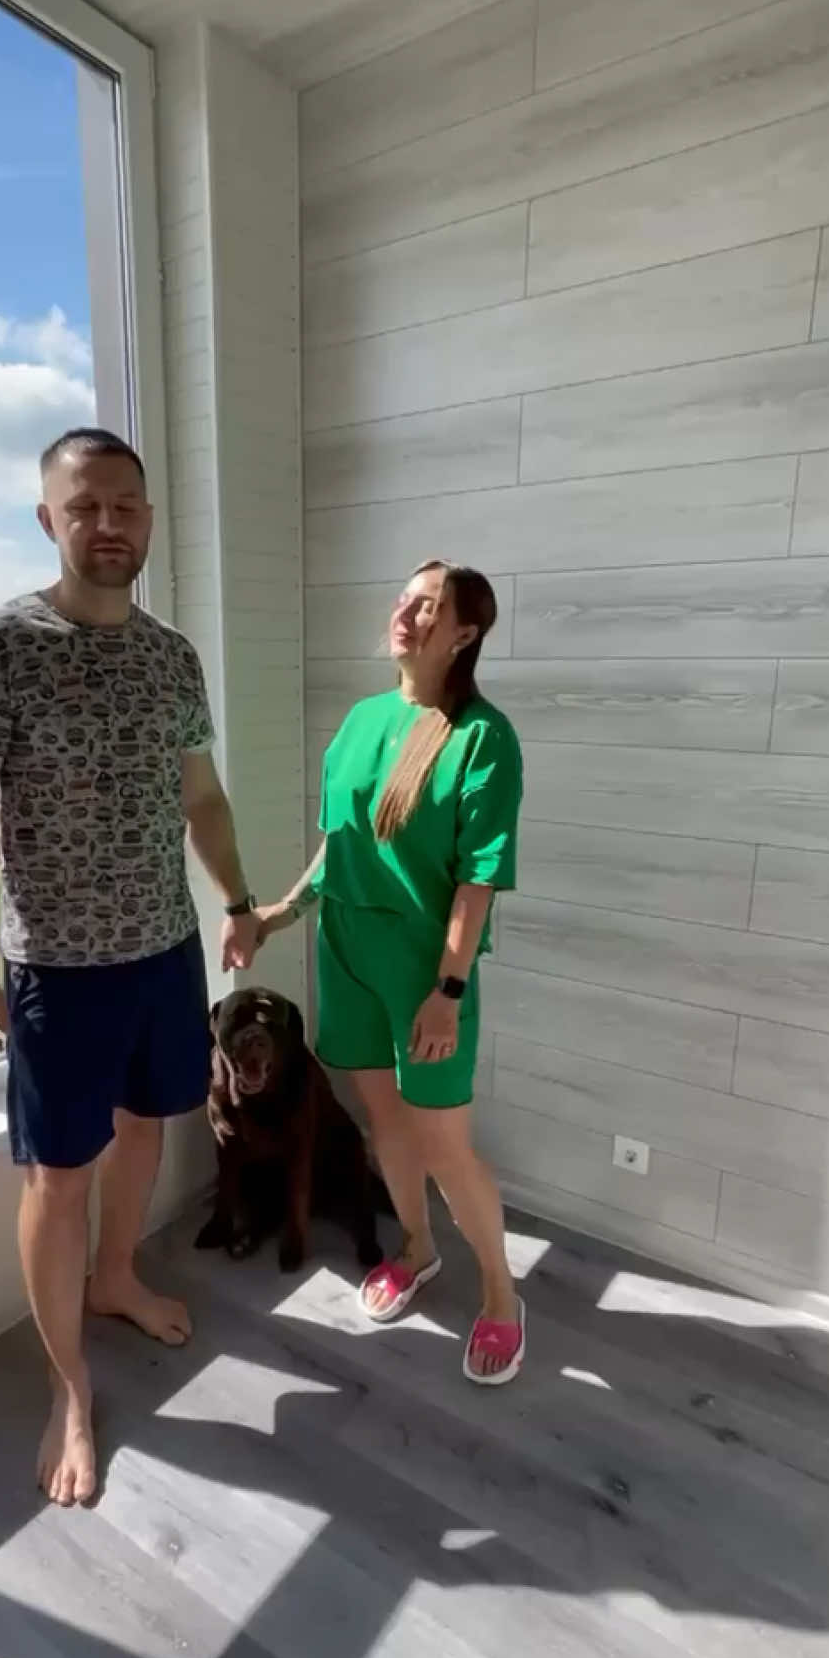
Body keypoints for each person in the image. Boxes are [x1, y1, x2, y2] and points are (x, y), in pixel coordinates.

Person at [0, 427, 258, 1506]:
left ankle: (115, 1277)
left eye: (125, 505)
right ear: (49, 520)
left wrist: (237, 901)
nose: (108, 524)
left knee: (147, 1126)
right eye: (85, 507)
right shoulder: (1, 646)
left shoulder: (172, 657)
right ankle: (68, 1387)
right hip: (58, 972)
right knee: (57, 1177)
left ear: (148, 519)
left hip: (163, 949)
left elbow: (201, 797)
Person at [257, 560, 524, 1384]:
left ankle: (502, 1295)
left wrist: (448, 991)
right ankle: (416, 1249)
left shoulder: (481, 737)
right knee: (386, 1124)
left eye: (429, 606)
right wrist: (281, 912)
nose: (406, 613)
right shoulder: (362, 719)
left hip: (423, 969)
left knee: (445, 1144)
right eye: (405, 599)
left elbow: (477, 879)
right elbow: (339, 848)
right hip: (345, 954)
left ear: (464, 634)